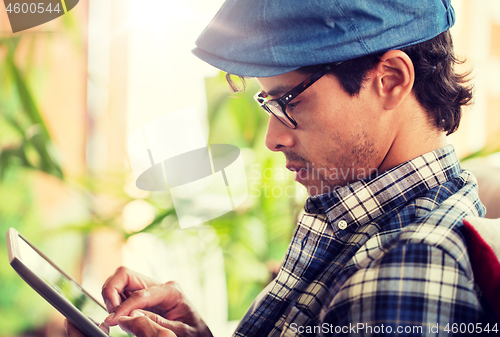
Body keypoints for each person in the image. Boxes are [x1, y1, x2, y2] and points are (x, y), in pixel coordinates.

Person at [67, 0, 497, 336]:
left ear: (390, 80)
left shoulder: (406, 269)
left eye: (289, 100)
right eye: (268, 103)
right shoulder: (375, 225)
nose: (273, 138)